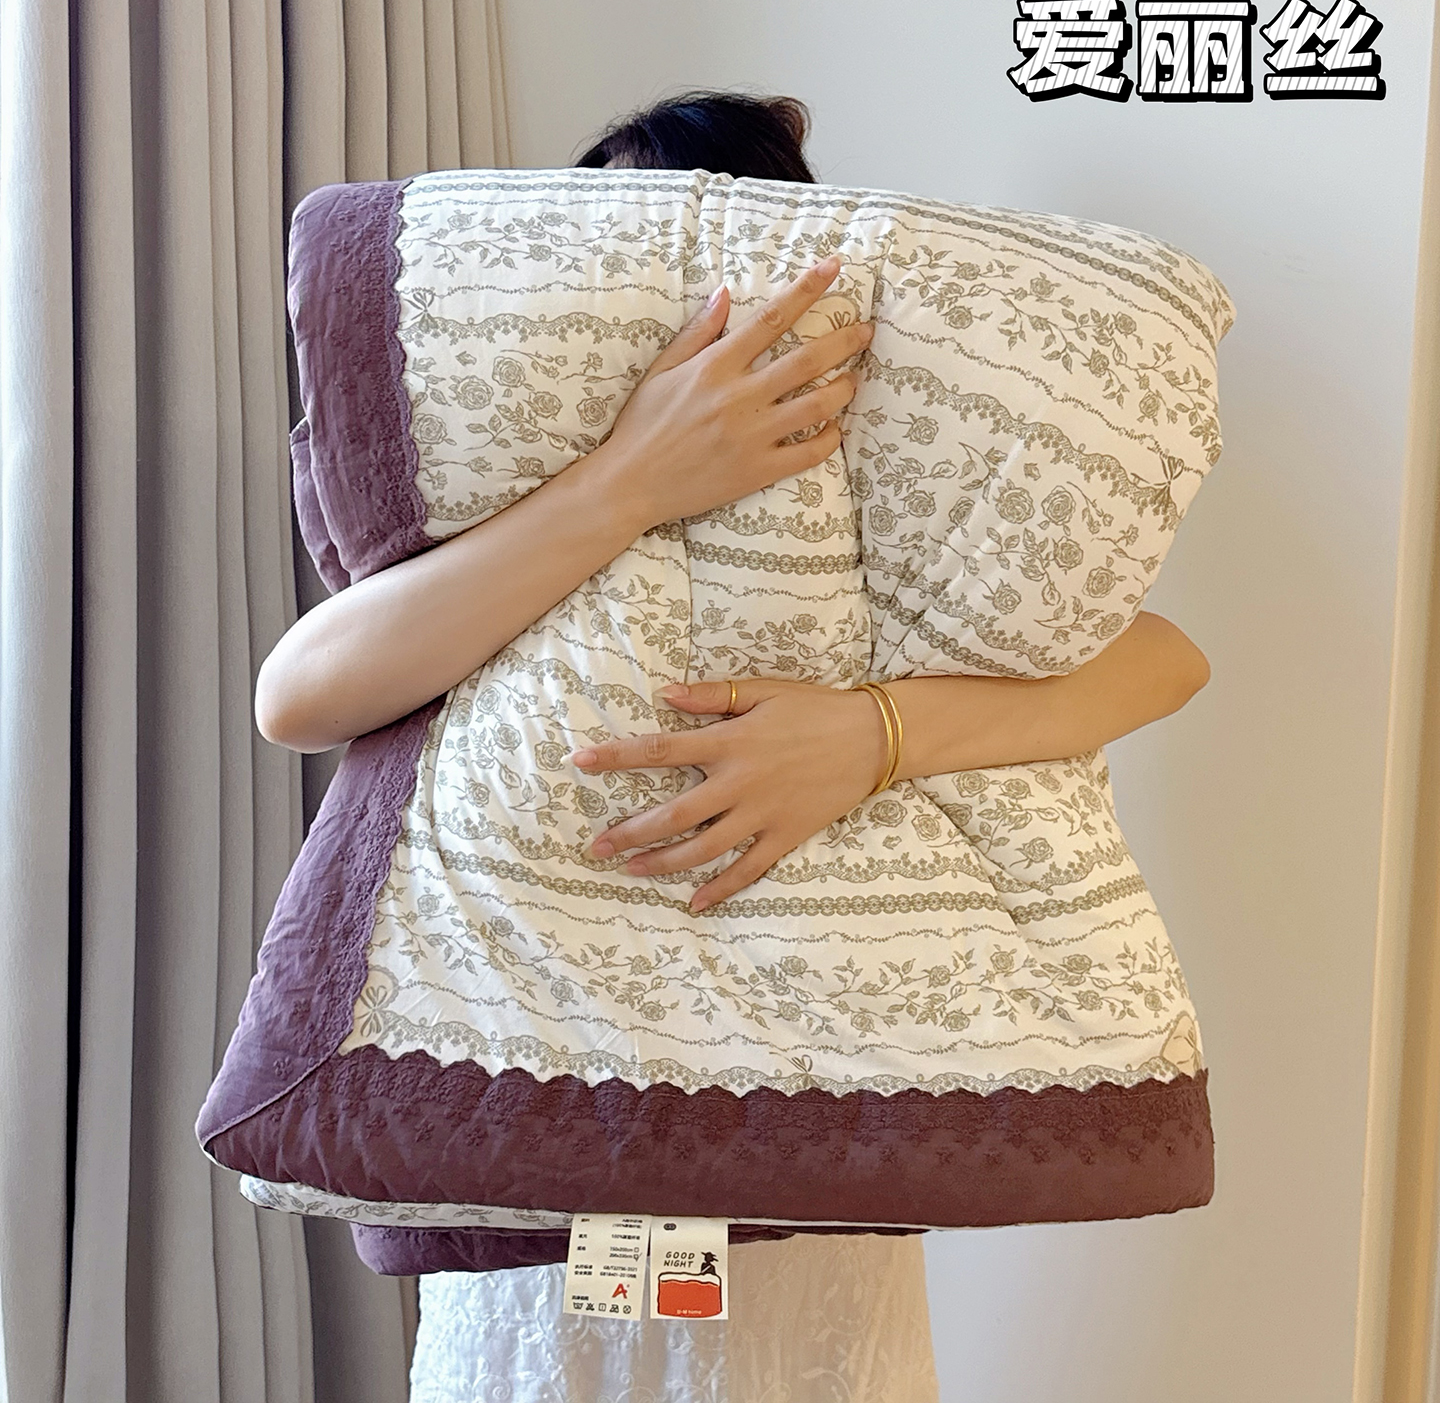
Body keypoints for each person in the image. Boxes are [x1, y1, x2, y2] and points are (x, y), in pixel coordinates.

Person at [256, 91, 1212, 1403]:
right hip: (542, 1178)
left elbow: (1163, 659)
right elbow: (301, 694)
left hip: (803, 1185)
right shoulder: (524, 510)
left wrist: (869, 736)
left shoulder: (876, 510)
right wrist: (628, 481)